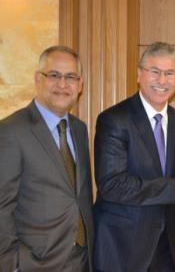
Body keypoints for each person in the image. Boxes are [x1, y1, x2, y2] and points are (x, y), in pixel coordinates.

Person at [93, 42, 175, 272]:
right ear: (139, 74)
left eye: (170, 73)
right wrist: (173, 189)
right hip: (122, 246)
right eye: (155, 71)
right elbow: (112, 184)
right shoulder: (114, 119)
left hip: (166, 249)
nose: (162, 81)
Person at [0, 45, 94, 271]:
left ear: (80, 85)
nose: (62, 84)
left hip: (81, 259)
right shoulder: (11, 131)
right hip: (34, 263)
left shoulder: (80, 130)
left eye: (71, 77)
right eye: (54, 75)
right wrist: (12, 264)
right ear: (37, 79)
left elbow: (79, 196)